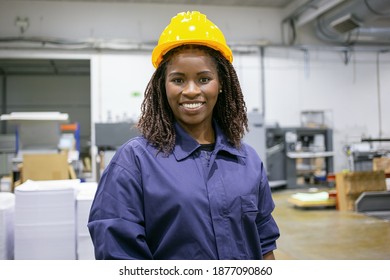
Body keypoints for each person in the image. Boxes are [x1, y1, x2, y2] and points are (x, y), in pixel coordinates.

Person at [88, 10, 280, 260]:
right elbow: (117, 255)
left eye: (203, 78)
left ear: (221, 83)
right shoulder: (135, 162)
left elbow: (264, 244)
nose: (191, 91)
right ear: (163, 85)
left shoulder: (247, 161)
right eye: (178, 80)